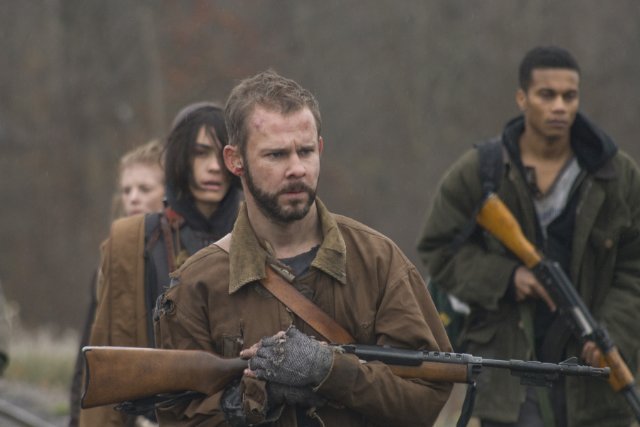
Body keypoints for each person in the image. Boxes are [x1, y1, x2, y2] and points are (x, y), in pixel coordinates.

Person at [153, 70, 452, 426]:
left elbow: (426, 396)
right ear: (235, 160)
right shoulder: (196, 285)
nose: (296, 169)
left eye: (306, 151)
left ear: (320, 149)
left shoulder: (378, 260)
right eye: (276, 154)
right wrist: (259, 397)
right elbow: (178, 418)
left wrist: (330, 371)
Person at [416, 46, 640, 427]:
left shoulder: (617, 176)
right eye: (546, 95)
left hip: (593, 381)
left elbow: (634, 269)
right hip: (509, 379)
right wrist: (506, 277)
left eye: (569, 96)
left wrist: (612, 332)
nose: (560, 107)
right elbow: (438, 249)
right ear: (522, 98)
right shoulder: (482, 171)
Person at [78, 102, 243, 427]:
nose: (213, 167)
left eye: (221, 154)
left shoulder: (259, 237)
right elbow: (105, 350)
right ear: (179, 158)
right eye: (199, 153)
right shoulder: (132, 239)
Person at [69, 139, 166, 427]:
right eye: (126, 190)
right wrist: (76, 418)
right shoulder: (110, 259)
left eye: (144, 189)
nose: (133, 198)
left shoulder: (189, 256)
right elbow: (88, 351)